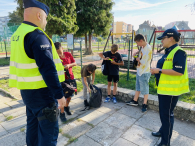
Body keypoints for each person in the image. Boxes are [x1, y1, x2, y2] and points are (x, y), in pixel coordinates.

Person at [9, 0, 66, 145]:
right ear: (39, 16)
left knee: (33, 130)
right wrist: (59, 96)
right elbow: (48, 69)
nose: (46, 22)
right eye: (46, 18)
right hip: (43, 95)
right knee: (48, 134)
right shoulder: (37, 35)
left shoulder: (17, 34)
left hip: (28, 94)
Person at [150, 28, 189, 146]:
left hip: (171, 91)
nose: (161, 41)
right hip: (163, 89)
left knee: (167, 115)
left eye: (163, 38)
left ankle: (165, 142)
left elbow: (179, 71)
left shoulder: (179, 52)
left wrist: (159, 70)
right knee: (163, 114)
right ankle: (163, 131)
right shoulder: (168, 51)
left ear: (171, 38)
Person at [125, 34, 152, 112]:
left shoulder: (148, 49)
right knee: (138, 87)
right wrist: (137, 52)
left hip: (144, 72)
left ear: (141, 40)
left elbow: (144, 61)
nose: (137, 44)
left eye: (137, 43)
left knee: (145, 89)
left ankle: (144, 104)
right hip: (139, 71)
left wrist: (138, 59)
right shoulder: (143, 47)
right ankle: (135, 101)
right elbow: (142, 52)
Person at [54, 42, 77, 121]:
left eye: (60, 52)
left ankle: (67, 107)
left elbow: (75, 63)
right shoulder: (55, 58)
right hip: (61, 80)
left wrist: (68, 65)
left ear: (62, 48)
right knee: (62, 97)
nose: (59, 55)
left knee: (70, 95)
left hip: (70, 78)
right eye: (57, 53)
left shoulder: (68, 54)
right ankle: (62, 113)